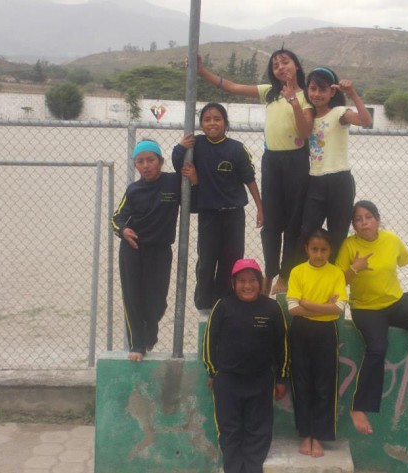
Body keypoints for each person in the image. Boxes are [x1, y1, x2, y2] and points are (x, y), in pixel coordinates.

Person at [196, 49, 313, 295]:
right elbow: (232, 87)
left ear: (296, 65)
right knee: (271, 223)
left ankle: (285, 275)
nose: (280, 67)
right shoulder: (269, 93)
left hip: (297, 161)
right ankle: (270, 272)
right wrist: (202, 71)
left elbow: (304, 133)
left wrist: (293, 101)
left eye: (285, 62)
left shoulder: (307, 96)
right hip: (272, 161)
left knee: (294, 222)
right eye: (275, 65)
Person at [335, 200, 408, 435]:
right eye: (358, 219)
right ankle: (359, 408)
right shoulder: (349, 246)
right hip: (366, 308)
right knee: (377, 348)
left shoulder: (391, 239)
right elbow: (338, 281)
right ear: (353, 224)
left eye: (368, 217)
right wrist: (355, 268)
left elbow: (405, 257)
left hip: (395, 302)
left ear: (377, 219)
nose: (364, 223)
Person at [172, 102, 263, 312]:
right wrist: (181, 147)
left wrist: (260, 207)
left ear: (225, 123)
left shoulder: (237, 148)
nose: (212, 123)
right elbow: (178, 163)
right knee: (206, 260)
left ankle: (225, 302)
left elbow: (249, 179)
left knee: (231, 259)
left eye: (217, 119)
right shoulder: (196, 145)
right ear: (201, 124)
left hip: (234, 215)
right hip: (208, 214)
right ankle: (204, 304)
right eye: (207, 119)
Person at [111, 139, 197, 362]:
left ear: (161, 161)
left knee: (158, 301)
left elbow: (194, 199)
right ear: (135, 165)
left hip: (160, 251)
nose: (146, 165)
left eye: (150, 160)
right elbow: (116, 218)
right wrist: (123, 230)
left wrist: (192, 175)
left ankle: (150, 330)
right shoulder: (133, 190)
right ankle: (138, 344)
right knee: (133, 297)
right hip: (133, 249)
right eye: (140, 161)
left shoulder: (173, 182)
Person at [202, 258, 289, 473]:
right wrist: (213, 372)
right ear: (233, 284)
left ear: (260, 282)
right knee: (229, 431)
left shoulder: (272, 308)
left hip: (261, 381)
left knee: (258, 431)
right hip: (228, 381)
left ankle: (252, 469)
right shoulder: (223, 306)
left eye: (252, 280)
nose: (247, 285)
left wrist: (281, 378)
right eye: (241, 281)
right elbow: (209, 341)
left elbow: (283, 346)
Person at [286, 228, 348, 458]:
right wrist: (324, 307)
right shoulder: (297, 272)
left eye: (323, 250)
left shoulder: (336, 274)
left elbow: (338, 309)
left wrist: (307, 303)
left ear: (330, 251)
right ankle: (305, 434)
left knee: (325, 385)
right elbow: (293, 309)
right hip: (300, 331)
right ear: (307, 249)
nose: (319, 254)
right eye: (314, 249)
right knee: (301, 383)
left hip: (326, 332)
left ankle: (319, 436)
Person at [300, 67, 373, 260]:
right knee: (307, 231)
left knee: (338, 234)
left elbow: (366, 121)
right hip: (315, 180)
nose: (317, 94)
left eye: (322, 89)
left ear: (332, 92)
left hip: (339, 180)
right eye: (313, 89)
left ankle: (335, 274)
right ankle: (308, 273)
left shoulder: (339, 112)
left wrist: (352, 93)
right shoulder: (307, 117)